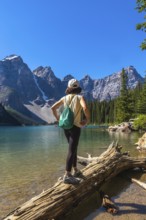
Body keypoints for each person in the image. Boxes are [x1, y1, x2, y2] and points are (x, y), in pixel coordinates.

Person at [51, 78, 90, 184]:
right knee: (72, 149)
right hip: (75, 126)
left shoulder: (64, 98)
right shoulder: (80, 97)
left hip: (66, 126)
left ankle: (75, 169)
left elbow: (53, 108)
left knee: (73, 147)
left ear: (69, 87)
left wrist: (58, 118)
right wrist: (86, 119)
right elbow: (85, 108)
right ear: (77, 87)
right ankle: (67, 175)